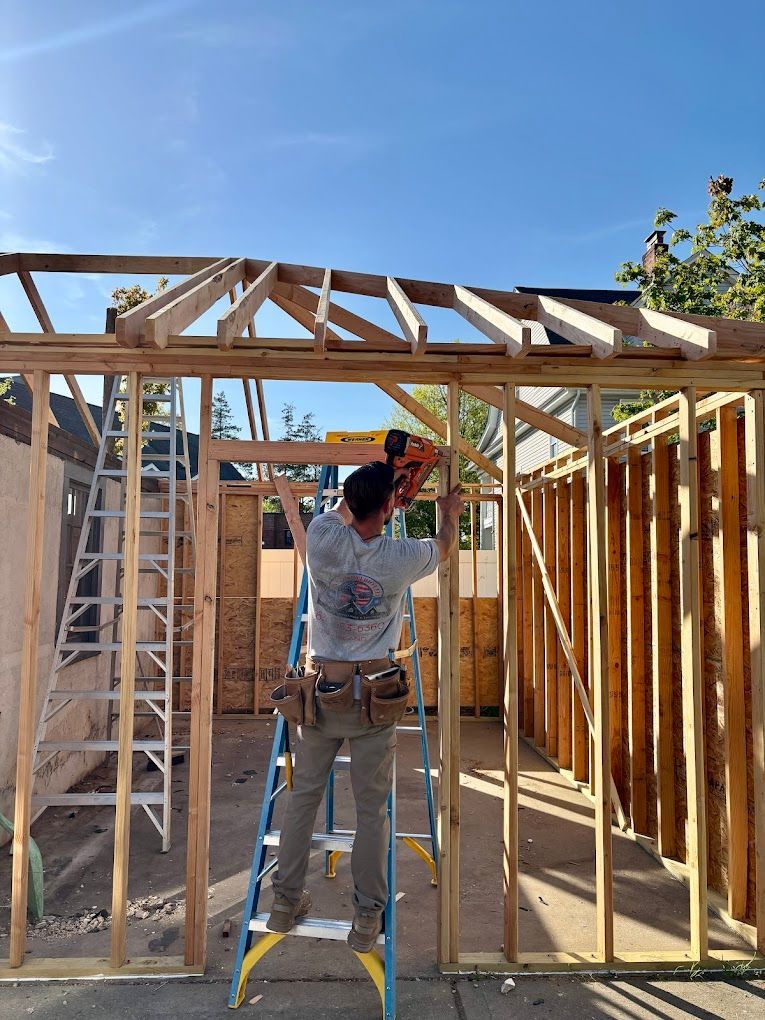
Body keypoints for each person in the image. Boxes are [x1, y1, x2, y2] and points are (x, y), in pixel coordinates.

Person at [267, 459, 464, 952]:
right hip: (375, 697)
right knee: (373, 811)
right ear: (387, 509)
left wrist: (379, 492)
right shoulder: (400, 557)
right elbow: (445, 546)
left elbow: (340, 511)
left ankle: (284, 905)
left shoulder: (323, 541)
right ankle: (365, 920)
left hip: (322, 696)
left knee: (302, 801)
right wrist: (448, 511)